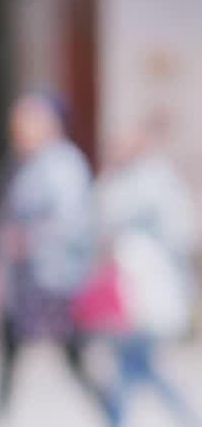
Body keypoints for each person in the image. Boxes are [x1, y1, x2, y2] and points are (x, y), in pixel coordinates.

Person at [0, 92, 103, 421]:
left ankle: (112, 408)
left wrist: (29, 240)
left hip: (55, 279)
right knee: (11, 348)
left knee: (72, 352)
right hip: (24, 283)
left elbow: (72, 221)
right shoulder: (20, 164)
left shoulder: (64, 164)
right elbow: (5, 219)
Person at [97, 117, 200, 426]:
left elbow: (178, 232)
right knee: (133, 363)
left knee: (133, 363)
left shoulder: (156, 182)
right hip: (125, 285)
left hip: (148, 285)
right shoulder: (117, 179)